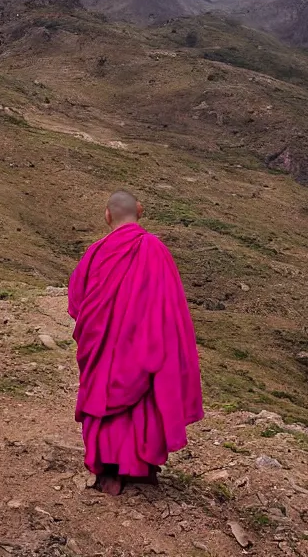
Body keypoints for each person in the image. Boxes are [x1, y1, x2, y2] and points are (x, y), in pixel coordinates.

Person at [68, 190, 204, 495]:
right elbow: (172, 307)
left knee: (102, 396)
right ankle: (140, 468)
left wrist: (102, 327)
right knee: (143, 399)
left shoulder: (95, 251)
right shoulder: (155, 249)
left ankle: (108, 470)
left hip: (102, 347)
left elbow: (77, 301)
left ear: (107, 216)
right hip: (145, 345)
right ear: (139, 211)